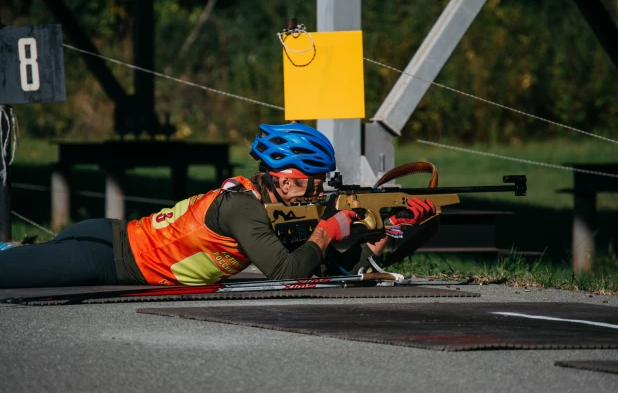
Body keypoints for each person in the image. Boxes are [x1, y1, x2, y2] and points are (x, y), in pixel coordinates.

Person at [0, 123, 436, 288]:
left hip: (108, 240)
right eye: (314, 179)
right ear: (284, 178)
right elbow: (287, 271)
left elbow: (322, 268)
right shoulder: (243, 207)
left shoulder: (272, 206)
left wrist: (375, 239)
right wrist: (330, 229)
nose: (320, 188)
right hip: (102, 256)